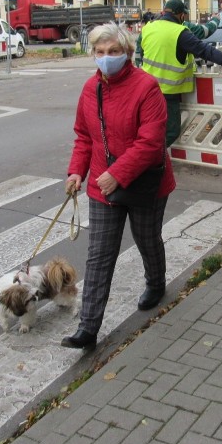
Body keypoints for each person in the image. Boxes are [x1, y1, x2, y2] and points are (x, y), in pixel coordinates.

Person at [61, 23, 175, 350]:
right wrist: (76, 173)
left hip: (144, 184)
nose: (106, 58)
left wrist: (118, 173)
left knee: (147, 240)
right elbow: (84, 137)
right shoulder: (89, 89)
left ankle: (156, 284)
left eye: (113, 52)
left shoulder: (146, 88)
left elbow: (152, 143)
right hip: (102, 185)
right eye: (100, 52)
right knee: (98, 256)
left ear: (127, 53)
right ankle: (88, 329)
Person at [138, 0, 222, 147]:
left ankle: (146, 158)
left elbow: (142, 56)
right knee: (170, 132)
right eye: (184, 16)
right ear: (180, 15)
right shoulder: (180, 33)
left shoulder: (148, 28)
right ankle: (147, 161)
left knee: (150, 128)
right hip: (167, 93)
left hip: (146, 89)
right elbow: (206, 51)